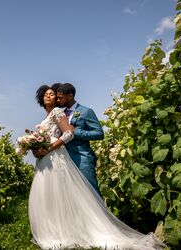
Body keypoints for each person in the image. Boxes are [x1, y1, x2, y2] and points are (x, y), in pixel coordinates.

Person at [28, 84, 166, 249]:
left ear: (69, 95)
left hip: (81, 158)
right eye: (54, 96)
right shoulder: (60, 112)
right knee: (69, 197)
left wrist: (76, 132)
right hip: (62, 159)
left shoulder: (85, 111)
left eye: (59, 96)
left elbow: (98, 133)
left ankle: (101, 229)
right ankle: (74, 229)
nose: (57, 99)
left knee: (90, 195)